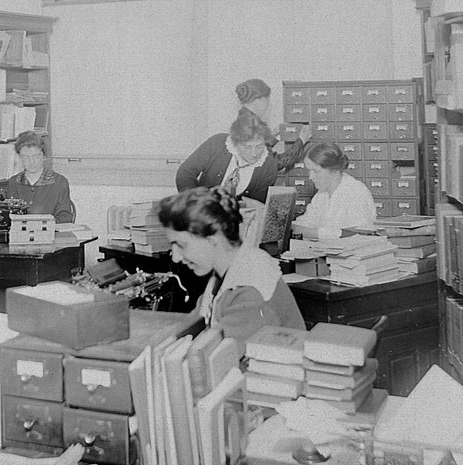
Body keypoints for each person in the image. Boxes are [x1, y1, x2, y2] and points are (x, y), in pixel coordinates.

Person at [157, 186, 305, 342]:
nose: (175, 258)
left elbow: (212, 352)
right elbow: (194, 321)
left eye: (181, 245)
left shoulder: (249, 291)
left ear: (213, 237)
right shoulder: (226, 272)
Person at [175, 108, 279, 204]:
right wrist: (196, 202)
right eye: (247, 147)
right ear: (235, 142)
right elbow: (184, 173)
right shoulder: (217, 144)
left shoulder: (269, 164)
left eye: (259, 147)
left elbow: (257, 203)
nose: (254, 153)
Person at [294, 142, 377, 237]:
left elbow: (355, 234)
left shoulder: (355, 192)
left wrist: (312, 232)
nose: (310, 177)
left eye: (316, 171)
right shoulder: (322, 194)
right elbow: (307, 221)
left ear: (334, 170)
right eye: (309, 170)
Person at [232, 77, 311, 174]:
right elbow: (276, 164)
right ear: (258, 101)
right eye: (267, 101)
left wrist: (273, 135)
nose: (268, 105)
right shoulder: (251, 124)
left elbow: (259, 149)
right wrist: (301, 141)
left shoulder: (245, 118)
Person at [2, 130, 75, 223]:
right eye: (25, 157)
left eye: (36, 156)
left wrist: (46, 225)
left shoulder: (59, 182)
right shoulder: (14, 182)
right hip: (21, 235)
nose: (31, 161)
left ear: (44, 156)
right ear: (19, 158)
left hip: (48, 234)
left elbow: (66, 216)